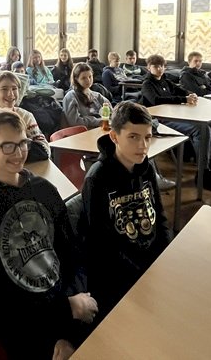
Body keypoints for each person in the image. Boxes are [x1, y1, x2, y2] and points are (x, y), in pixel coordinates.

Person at [0, 110, 97, 359]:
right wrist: (63, 313)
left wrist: (72, 308)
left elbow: (71, 254)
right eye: (8, 146)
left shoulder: (44, 190)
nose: (19, 153)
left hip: (64, 302)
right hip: (22, 323)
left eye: (23, 143)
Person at [81, 101, 172, 323]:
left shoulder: (146, 167)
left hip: (148, 262)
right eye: (133, 137)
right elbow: (102, 243)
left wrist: (166, 255)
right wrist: (143, 271)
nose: (143, 145)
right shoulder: (97, 178)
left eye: (147, 137)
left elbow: (159, 216)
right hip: (116, 273)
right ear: (114, 136)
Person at [141, 54, 211, 192]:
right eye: (156, 66)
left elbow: (180, 91)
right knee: (202, 129)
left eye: (162, 66)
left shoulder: (165, 81)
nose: (159, 69)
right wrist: (183, 99)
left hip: (176, 115)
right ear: (148, 67)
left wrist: (190, 94)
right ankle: (203, 172)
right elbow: (156, 100)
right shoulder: (147, 84)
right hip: (160, 120)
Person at [0, 71, 50, 172]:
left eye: (14, 89)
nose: (10, 94)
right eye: (4, 89)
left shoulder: (26, 116)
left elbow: (45, 149)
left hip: (32, 170)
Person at [62, 63, 109, 129]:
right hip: (84, 132)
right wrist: (98, 121)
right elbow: (74, 122)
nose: (88, 80)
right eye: (83, 78)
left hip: (101, 128)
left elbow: (110, 112)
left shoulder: (97, 95)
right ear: (76, 79)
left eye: (90, 76)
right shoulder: (71, 97)